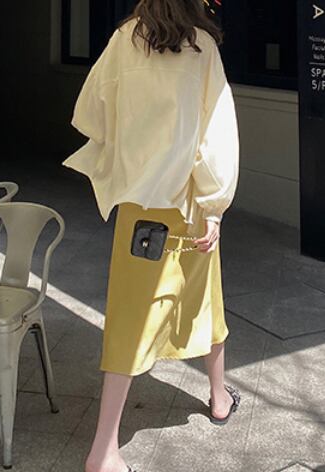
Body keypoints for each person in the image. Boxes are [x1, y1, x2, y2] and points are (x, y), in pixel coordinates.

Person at [62, 1, 241, 471]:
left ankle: (107, 446)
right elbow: (216, 134)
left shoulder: (124, 40)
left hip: (140, 203)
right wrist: (215, 206)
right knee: (205, 296)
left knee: (130, 315)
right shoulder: (202, 47)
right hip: (189, 200)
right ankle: (217, 398)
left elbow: (92, 109)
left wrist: (130, 156)